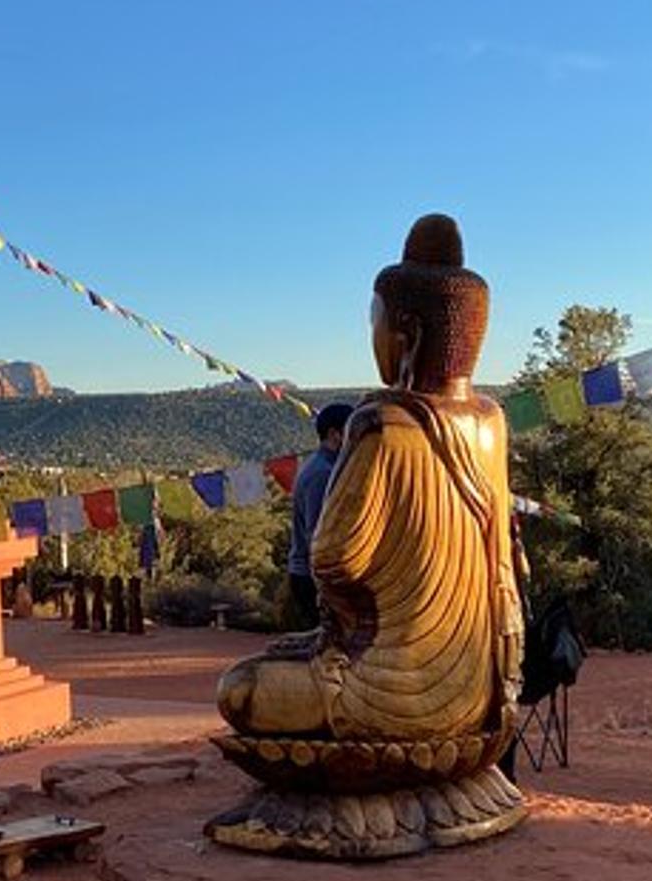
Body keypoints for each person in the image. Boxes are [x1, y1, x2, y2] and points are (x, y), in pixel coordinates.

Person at [217, 214, 519, 740]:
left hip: (383, 691)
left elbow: (336, 559)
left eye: (376, 322)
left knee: (239, 690)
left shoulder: (381, 423)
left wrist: (329, 633)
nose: (373, 336)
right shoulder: (491, 420)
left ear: (409, 333)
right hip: (483, 692)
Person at [286, 401, 355, 624]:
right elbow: (317, 534)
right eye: (353, 432)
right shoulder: (322, 474)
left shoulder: (328, 467)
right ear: (335, 434)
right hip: (313, 578)